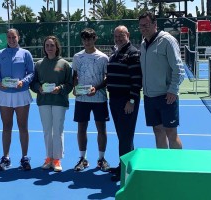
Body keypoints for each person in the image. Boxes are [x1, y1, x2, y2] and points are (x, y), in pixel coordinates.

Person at [138, 11, 184, 149]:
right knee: (158, 131)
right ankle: (163, 167)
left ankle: (177, 167)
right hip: (149, 96)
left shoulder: (167, 40)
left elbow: (179, 69)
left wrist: (173, 90)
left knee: (171, 132)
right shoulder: (143, 44)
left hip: (166, 96)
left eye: (146, 25)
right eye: (141, 26)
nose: (143, 28)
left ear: (155, 24)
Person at [0, 28, 35, 171]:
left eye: (14, 37)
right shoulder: (0, 54)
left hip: (21, 93)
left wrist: (24, 81)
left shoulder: (25, 54)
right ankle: (6, 158)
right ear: (6, 38)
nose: (11, 40)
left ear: (18, 37)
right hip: (4, 94)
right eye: (9, 37)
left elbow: (31, 72)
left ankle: (25, 157)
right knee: (6, 127)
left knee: (23, 127)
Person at [30, 36, 73, 172]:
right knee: (47, 131)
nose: (49, 48)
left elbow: (69, 84)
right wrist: (39, 88)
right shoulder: (38, 64)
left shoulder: (64, 64)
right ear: (44, 48)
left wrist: (59, 89)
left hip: (59, 101)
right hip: (44, 101)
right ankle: (48, 157)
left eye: (52, 45)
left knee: (58, 131)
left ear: (57, 47)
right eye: (47, 45)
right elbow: (34, 82)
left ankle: (57, 159)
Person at [106, 25, 142, 181]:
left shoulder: (133, 53)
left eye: (121, 35)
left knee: (126, 137)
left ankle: (124, 171)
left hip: (126, 101)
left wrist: (132, 100)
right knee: (123, 136)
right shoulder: (116, 52)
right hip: (114, 100)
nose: (118, 38)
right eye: (116, 36)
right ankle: (126, 165)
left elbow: (136, 80)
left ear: (128, 34)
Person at [72, 28, 110, 172]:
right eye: (84, 39)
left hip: (99, 99)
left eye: (90, 38)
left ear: (95, 39)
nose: (87, 41)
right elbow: (74, 74)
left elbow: (107, 78)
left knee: (101, 129)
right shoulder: (77, 57)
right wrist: (75, 88)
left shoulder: (103, 57)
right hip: (82, 99)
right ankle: (82, 159)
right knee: (81, 128)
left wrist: (97, 88)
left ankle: (101, 159)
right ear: (82, 40)